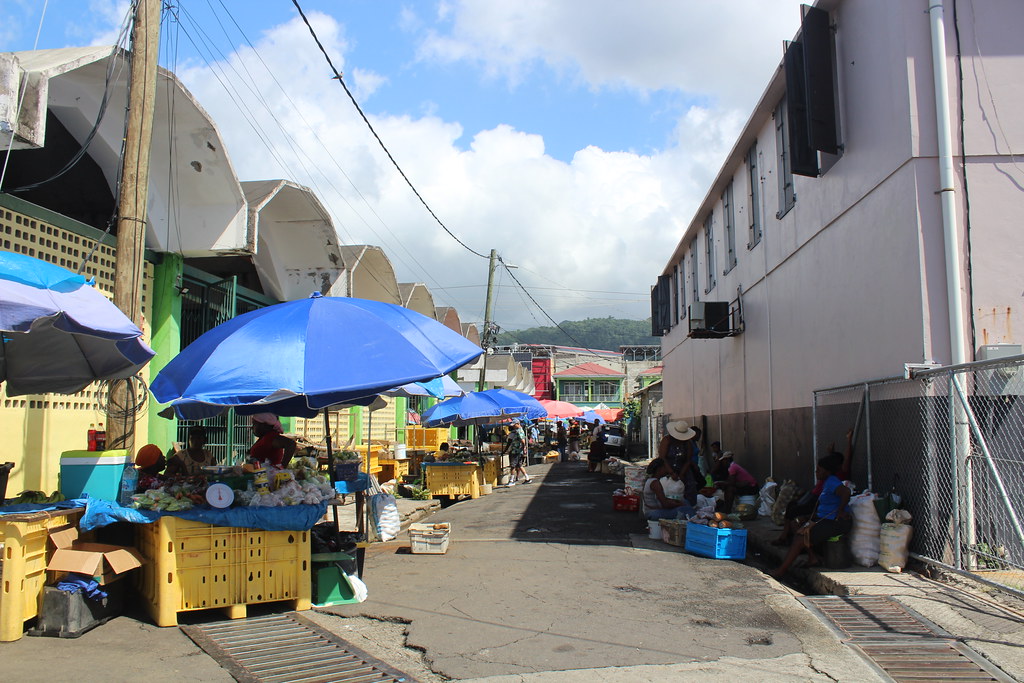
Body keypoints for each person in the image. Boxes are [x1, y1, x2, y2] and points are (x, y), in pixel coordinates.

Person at [770, 454, 852, 578]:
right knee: (795, 523)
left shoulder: (832, 482)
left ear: (826, 471)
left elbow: (846, 492)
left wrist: (840, 511)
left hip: (835, 522)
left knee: (799, 538)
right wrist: (808, 517)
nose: (816, 472)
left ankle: (781, 571)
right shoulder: (826, 482)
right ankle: (812, 557)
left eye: (818, 470)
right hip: (823, 518)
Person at [772, 429, 853, 546]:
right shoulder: (828, 475)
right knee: (792, 506)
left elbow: (847, 459)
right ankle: (787, 536)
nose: (817, 471)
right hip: (813, 495)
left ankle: (792, 540)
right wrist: (831, 451)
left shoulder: (838, 475)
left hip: (816, 499)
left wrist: (849, 440)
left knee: (795, 511)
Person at [504, 420, 532, 485]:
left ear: (517, 424)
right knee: (519, 465)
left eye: (514, 425)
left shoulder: (519, 431)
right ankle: (527, 478)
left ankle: (511, 480)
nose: (513, 426)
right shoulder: (519, 431)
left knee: (513, 465)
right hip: (517, 451)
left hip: (515, 451)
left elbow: (523, 441)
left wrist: (523, 448)